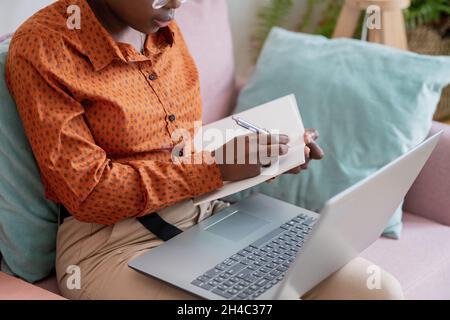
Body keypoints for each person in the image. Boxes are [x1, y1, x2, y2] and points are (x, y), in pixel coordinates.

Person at [6, 0, 404, 300]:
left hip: (207, 214)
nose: (178, 2)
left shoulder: (161, 26)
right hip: (111, 243)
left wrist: (264, 155)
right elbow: (89, 194)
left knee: (378, 290)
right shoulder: (43, 48)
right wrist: (219, 167)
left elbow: (183, 146)